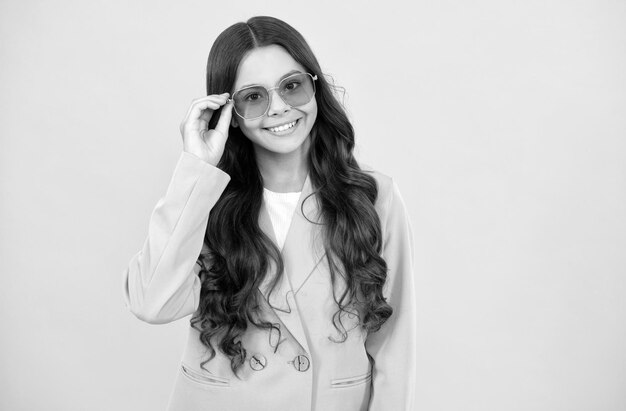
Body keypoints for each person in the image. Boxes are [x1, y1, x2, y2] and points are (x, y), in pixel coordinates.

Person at [122, 16, 416, 411]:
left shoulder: (375, 198)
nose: (279, 108)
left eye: (292, 86)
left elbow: (393, 345)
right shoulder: (205, 198)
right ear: (230, 112)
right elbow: (151, 302)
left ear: (314, 88)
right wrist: (196, 168)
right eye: (254, 97)